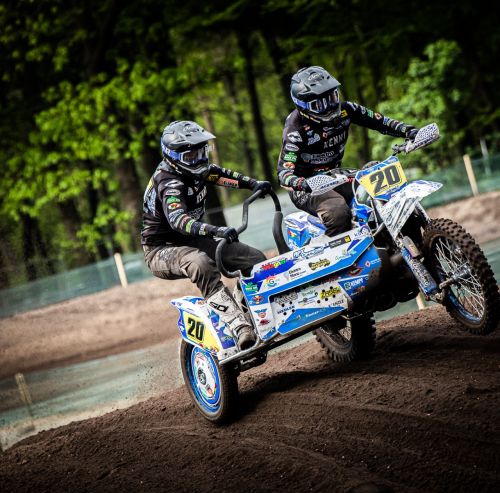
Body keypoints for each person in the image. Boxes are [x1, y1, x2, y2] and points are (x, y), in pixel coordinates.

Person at [141, 120, 271, 350]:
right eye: (191, 156)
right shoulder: (169, 182)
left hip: (192, 239)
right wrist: (215, 230)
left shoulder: (197, 170)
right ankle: (238, 325)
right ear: (173, 156)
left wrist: (254, 184)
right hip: (161, 249)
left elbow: (219, 174)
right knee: (200, 263)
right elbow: (178, 220)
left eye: (202, 152)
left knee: (253, 258)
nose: (199, 160)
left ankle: (252, 310)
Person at [278, 65, 420, 236]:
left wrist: (409, 131)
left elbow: (380, 121)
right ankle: (343, 251)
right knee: (337, 211)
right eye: (320, 104)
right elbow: (283, 173)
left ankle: (407, 241)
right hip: (307, 188)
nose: (330, 107)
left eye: (332, 97)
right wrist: (302, 183)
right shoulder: (295, 129)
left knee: (383, 187)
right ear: (304, 107)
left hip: (336, 175)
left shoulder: (347, 109)